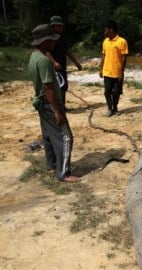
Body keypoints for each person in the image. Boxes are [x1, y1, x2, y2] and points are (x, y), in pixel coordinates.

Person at [28, 24, 80, 182]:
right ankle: (64, 173)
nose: (53, 43)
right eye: (51, 40)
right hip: (49, 104)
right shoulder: (43, 61)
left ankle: (51, 165)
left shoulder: (33, 57)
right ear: (44, 41)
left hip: (41, 104)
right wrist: (58, 111)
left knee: (48, 136)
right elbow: (48, 87)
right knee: (66, 137)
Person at [46, 16, 82, 111]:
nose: (61, 28)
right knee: (54, 87)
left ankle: (62, 106)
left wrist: (76, 62)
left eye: (62, 26)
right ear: (53, 26)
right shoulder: (50, 38)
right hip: (53, 67)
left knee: (63, 86)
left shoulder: (62, 38)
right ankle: (55, 107)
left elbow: (68, 51)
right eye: (59, 26)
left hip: (62, 67)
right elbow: (47, 52)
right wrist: (54, 63)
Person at [99, 20, 128, 117]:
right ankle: (109, 108)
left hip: (117, 72)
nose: (105, 32)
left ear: (111, 30)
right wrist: (100, 68)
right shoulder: (105, 41)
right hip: (107, 72)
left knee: (116, 92)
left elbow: (124, 58)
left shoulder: (122, 41)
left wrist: (121, 72)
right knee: (107, 92)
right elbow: (103, 55)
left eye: (106, 30)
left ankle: (115, 107)